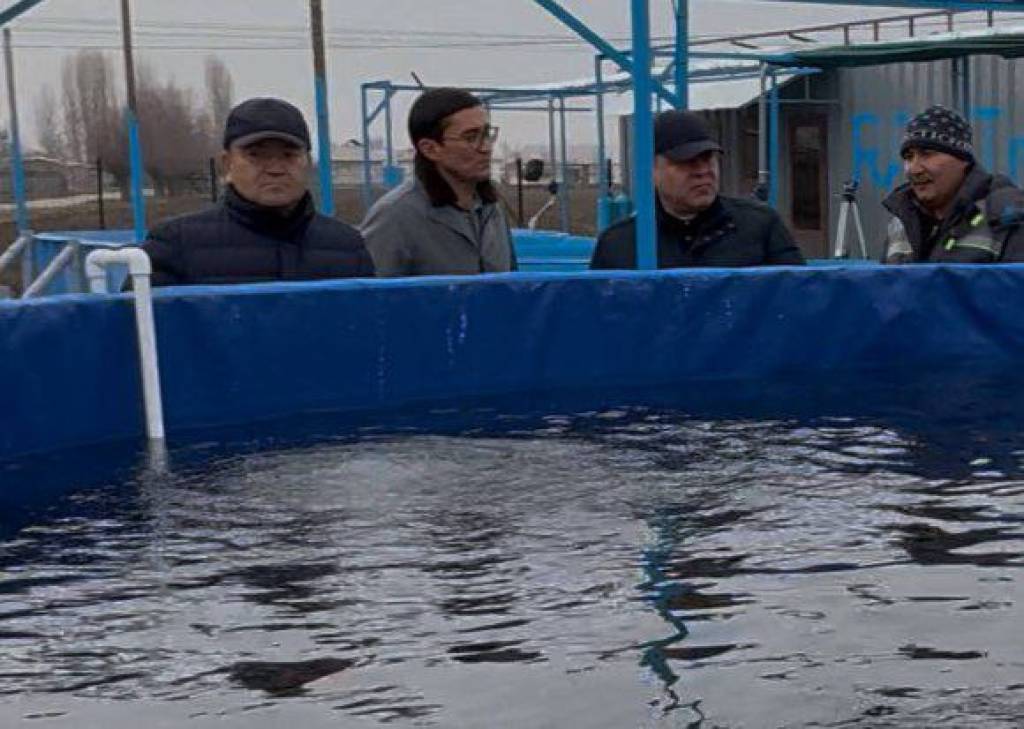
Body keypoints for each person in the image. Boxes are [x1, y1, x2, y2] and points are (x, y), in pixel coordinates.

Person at [140, 97, 374, 286]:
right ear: (227, 164)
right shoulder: (175, 246)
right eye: (256, 155)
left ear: (308, 163)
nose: (275, 169)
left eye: (289, 155)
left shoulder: (347, 247)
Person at [590, 109, 805, 270]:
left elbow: (799, 301)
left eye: (708, 158)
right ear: (652, 169)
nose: (703, 171)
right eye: (686, 162)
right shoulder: (619, 246)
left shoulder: (761, 227)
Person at [360, 87, 516, 277]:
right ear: (430, 149)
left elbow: (512, 284)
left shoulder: (492, 210)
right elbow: (372, 291)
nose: (486, 147)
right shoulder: (395, 218)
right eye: (471, 138)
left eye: (487, 134)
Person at [882, 104, 1024, 263]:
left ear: (963, 159)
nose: (914, 169)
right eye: (908, 157)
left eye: (927, 154)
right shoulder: (901, 223)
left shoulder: (1007, 217)